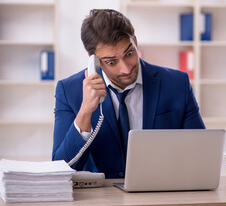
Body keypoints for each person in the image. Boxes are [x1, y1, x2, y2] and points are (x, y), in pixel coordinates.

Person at [52, 9, 205, 178]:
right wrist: (85, 112)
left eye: (129, 53)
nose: (125, 68)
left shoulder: (177, 84)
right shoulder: (69, 91)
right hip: (102, 199)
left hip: (162, 192)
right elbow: (61, 170)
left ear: (135, 41)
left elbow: (200, 154)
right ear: (92, 59)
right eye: (111, 62)